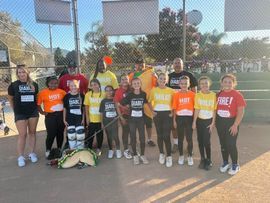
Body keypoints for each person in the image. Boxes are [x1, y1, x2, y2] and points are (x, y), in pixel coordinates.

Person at [7, 64, 39, 167]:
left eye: (23, 72)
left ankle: (32, 153)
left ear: (27, 72)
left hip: (33, 112)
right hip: (20, 113)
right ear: (17, 74)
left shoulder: (34, 84)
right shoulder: (13, 85)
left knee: (32, 133)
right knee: (22, 134)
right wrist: (15, 110)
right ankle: (20, 156)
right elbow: (10, 98)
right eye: (19, 72)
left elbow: (36, 98)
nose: (21, 74)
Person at [216, 74, 246, 175]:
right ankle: (225, 162)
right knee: (223, 144)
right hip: (220, 122)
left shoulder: (237, 95)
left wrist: (235, 125)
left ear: (233, 84)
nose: (227, 84)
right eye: (225, 82)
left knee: (231, 144)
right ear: (222, 83)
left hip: (231, 122)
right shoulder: (219, 94)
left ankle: (235, 164)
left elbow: (241, 111)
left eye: (230, 82)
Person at [120, 78, 153, 165]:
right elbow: (121, 103)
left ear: (140, 84)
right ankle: (135, 155)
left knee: (142, 138)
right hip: (132, 120)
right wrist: (126, 106)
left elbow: (147, 102)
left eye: (138, 83)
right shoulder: (130, 95)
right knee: (133, 138)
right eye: (134, 83)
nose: (136, 85)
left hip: (141, 120)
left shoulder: (143, 94)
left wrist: (153, 111)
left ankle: (142, 155)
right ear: (132, 85)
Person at [168, 58, 198, 153]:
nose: (177, 64)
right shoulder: (169, 76)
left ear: (182, 64)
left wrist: (193, 105)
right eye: (175, 63)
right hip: (174, 104)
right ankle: (176, 143)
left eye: (179, 63)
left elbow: (194, 91)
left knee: (188, 128)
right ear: (173, 65)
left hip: (186, 105)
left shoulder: (189, 75)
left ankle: (189, 146)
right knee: (174, 126)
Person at [128, 58, 157, 147]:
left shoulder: (150, 73)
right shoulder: (132, 75)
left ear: (145, 64)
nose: (140, 65)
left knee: (148, 122)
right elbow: (130, 87)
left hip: (147, 101)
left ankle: (149, 139)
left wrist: (155, 75)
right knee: (135, 122)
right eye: (138, 63)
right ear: (135, 65)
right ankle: (134, 139)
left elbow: (155, 84)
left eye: (142, 63)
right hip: (136, 102)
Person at [148, 73, 174, 167]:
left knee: (166, 135)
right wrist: (152, 111)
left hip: (167, 114)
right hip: (157, 114)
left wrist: (172, 113)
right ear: (157, 80)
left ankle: (169, 156)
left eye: (164, 79)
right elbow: (149, 101)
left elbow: (174, 103)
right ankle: (162, 154)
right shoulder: (153, 90)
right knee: (159, 135)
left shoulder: (171, 91)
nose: (162, 80)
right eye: (161, 78)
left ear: (166, 81)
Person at [37, 76, 66, 158]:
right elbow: (38, 104)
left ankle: (59, 149)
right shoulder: (43, 93)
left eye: (56, 83)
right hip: (50, 116)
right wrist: (42, 112)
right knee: (51, 134)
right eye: (51, 83)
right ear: (47, 84)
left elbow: (66, 103)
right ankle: (48, 150)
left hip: (60, 115)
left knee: (60, 133)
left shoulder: (62, 92)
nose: (54, 85)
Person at [192, 76, 216, 170]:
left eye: (206, 83)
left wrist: (213, 123)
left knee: (206, 141)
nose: (204, 85)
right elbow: (197, 109)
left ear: (209, 84)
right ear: (199, 85)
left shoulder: (213, 95)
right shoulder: (197, 95)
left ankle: (209, 160)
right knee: (200, 140)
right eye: (202, 83)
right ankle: (202, 158)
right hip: (199, 121)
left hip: (208, 121)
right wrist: (194, 122)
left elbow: (214, 110)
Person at [173, 76, 195, 166]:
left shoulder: (193, 94)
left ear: (189, 84)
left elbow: (195, 108)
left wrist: (194, 121)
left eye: (186, 83)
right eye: (182, 83)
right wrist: (174, 120)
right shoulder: (176, 95)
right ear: (179, 84)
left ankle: (190, 156)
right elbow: (174, 108)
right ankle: (181, 155)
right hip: (180, 118)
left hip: (189, 118)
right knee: (180, 138)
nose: (184, 85)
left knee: (189, 138)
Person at [99, 85, 122, 159]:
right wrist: (102, 123)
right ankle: (111, 150)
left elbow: (118, 111)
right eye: (107, 90)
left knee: (115, 136)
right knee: (109, 136)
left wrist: (118, 121)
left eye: (110, 90)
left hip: (114, 120)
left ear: (113, 91)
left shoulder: (115, 100)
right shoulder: (103, 101)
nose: (109, 92)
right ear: (105, 92)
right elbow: (102, 113)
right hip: (106, 121)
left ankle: (118, 150)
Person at [84, 79, 105, 156]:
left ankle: (99, 148)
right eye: (92, 85)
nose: (94, 86)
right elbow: (86, 107)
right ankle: (89, 148)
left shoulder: (104, 94)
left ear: (99, 85)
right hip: (92, 119)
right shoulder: (88, 94)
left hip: (100, 119)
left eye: (95, 84)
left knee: (100, 135)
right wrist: (87, 118)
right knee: (90, 134)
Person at [114, 73, 132, 159]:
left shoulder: (132, 89)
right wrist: (121, 117)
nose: (125, 81)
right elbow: (117, 105)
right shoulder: (118, 91)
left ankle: (133, 148)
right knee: (125, 132)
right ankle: (126, 150)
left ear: (129, 81)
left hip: (133, 115)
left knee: (132, 131)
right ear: (120, 82)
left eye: (126, 79)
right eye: (123, 80)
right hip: (123, 115)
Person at [63, 80, 85, 149]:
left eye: (75, 85)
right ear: (69, 87)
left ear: (78, 86)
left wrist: (83, 119)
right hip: (70, 118)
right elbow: (65, 109)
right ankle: (73, 151)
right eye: (71, 86)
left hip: (79, 118)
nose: (73, 87)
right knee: (71, 135)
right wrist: (64, 119)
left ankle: (80, 151)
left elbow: (83, 108)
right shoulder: (66, 96)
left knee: (80, 134)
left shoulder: (81, 95)